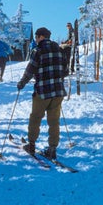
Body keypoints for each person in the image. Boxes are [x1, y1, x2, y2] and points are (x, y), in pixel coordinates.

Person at [17, 27, 67, 159]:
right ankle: (52, 149)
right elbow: (66, 71)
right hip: (58, 91)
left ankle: (31, 145)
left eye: (36, 37)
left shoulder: (37, 50)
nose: (36, 40)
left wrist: (22, 83)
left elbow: (30, 70)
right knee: (54, 121)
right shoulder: (60, 50)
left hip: (43, 91)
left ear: (41, 37)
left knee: (36, 118)